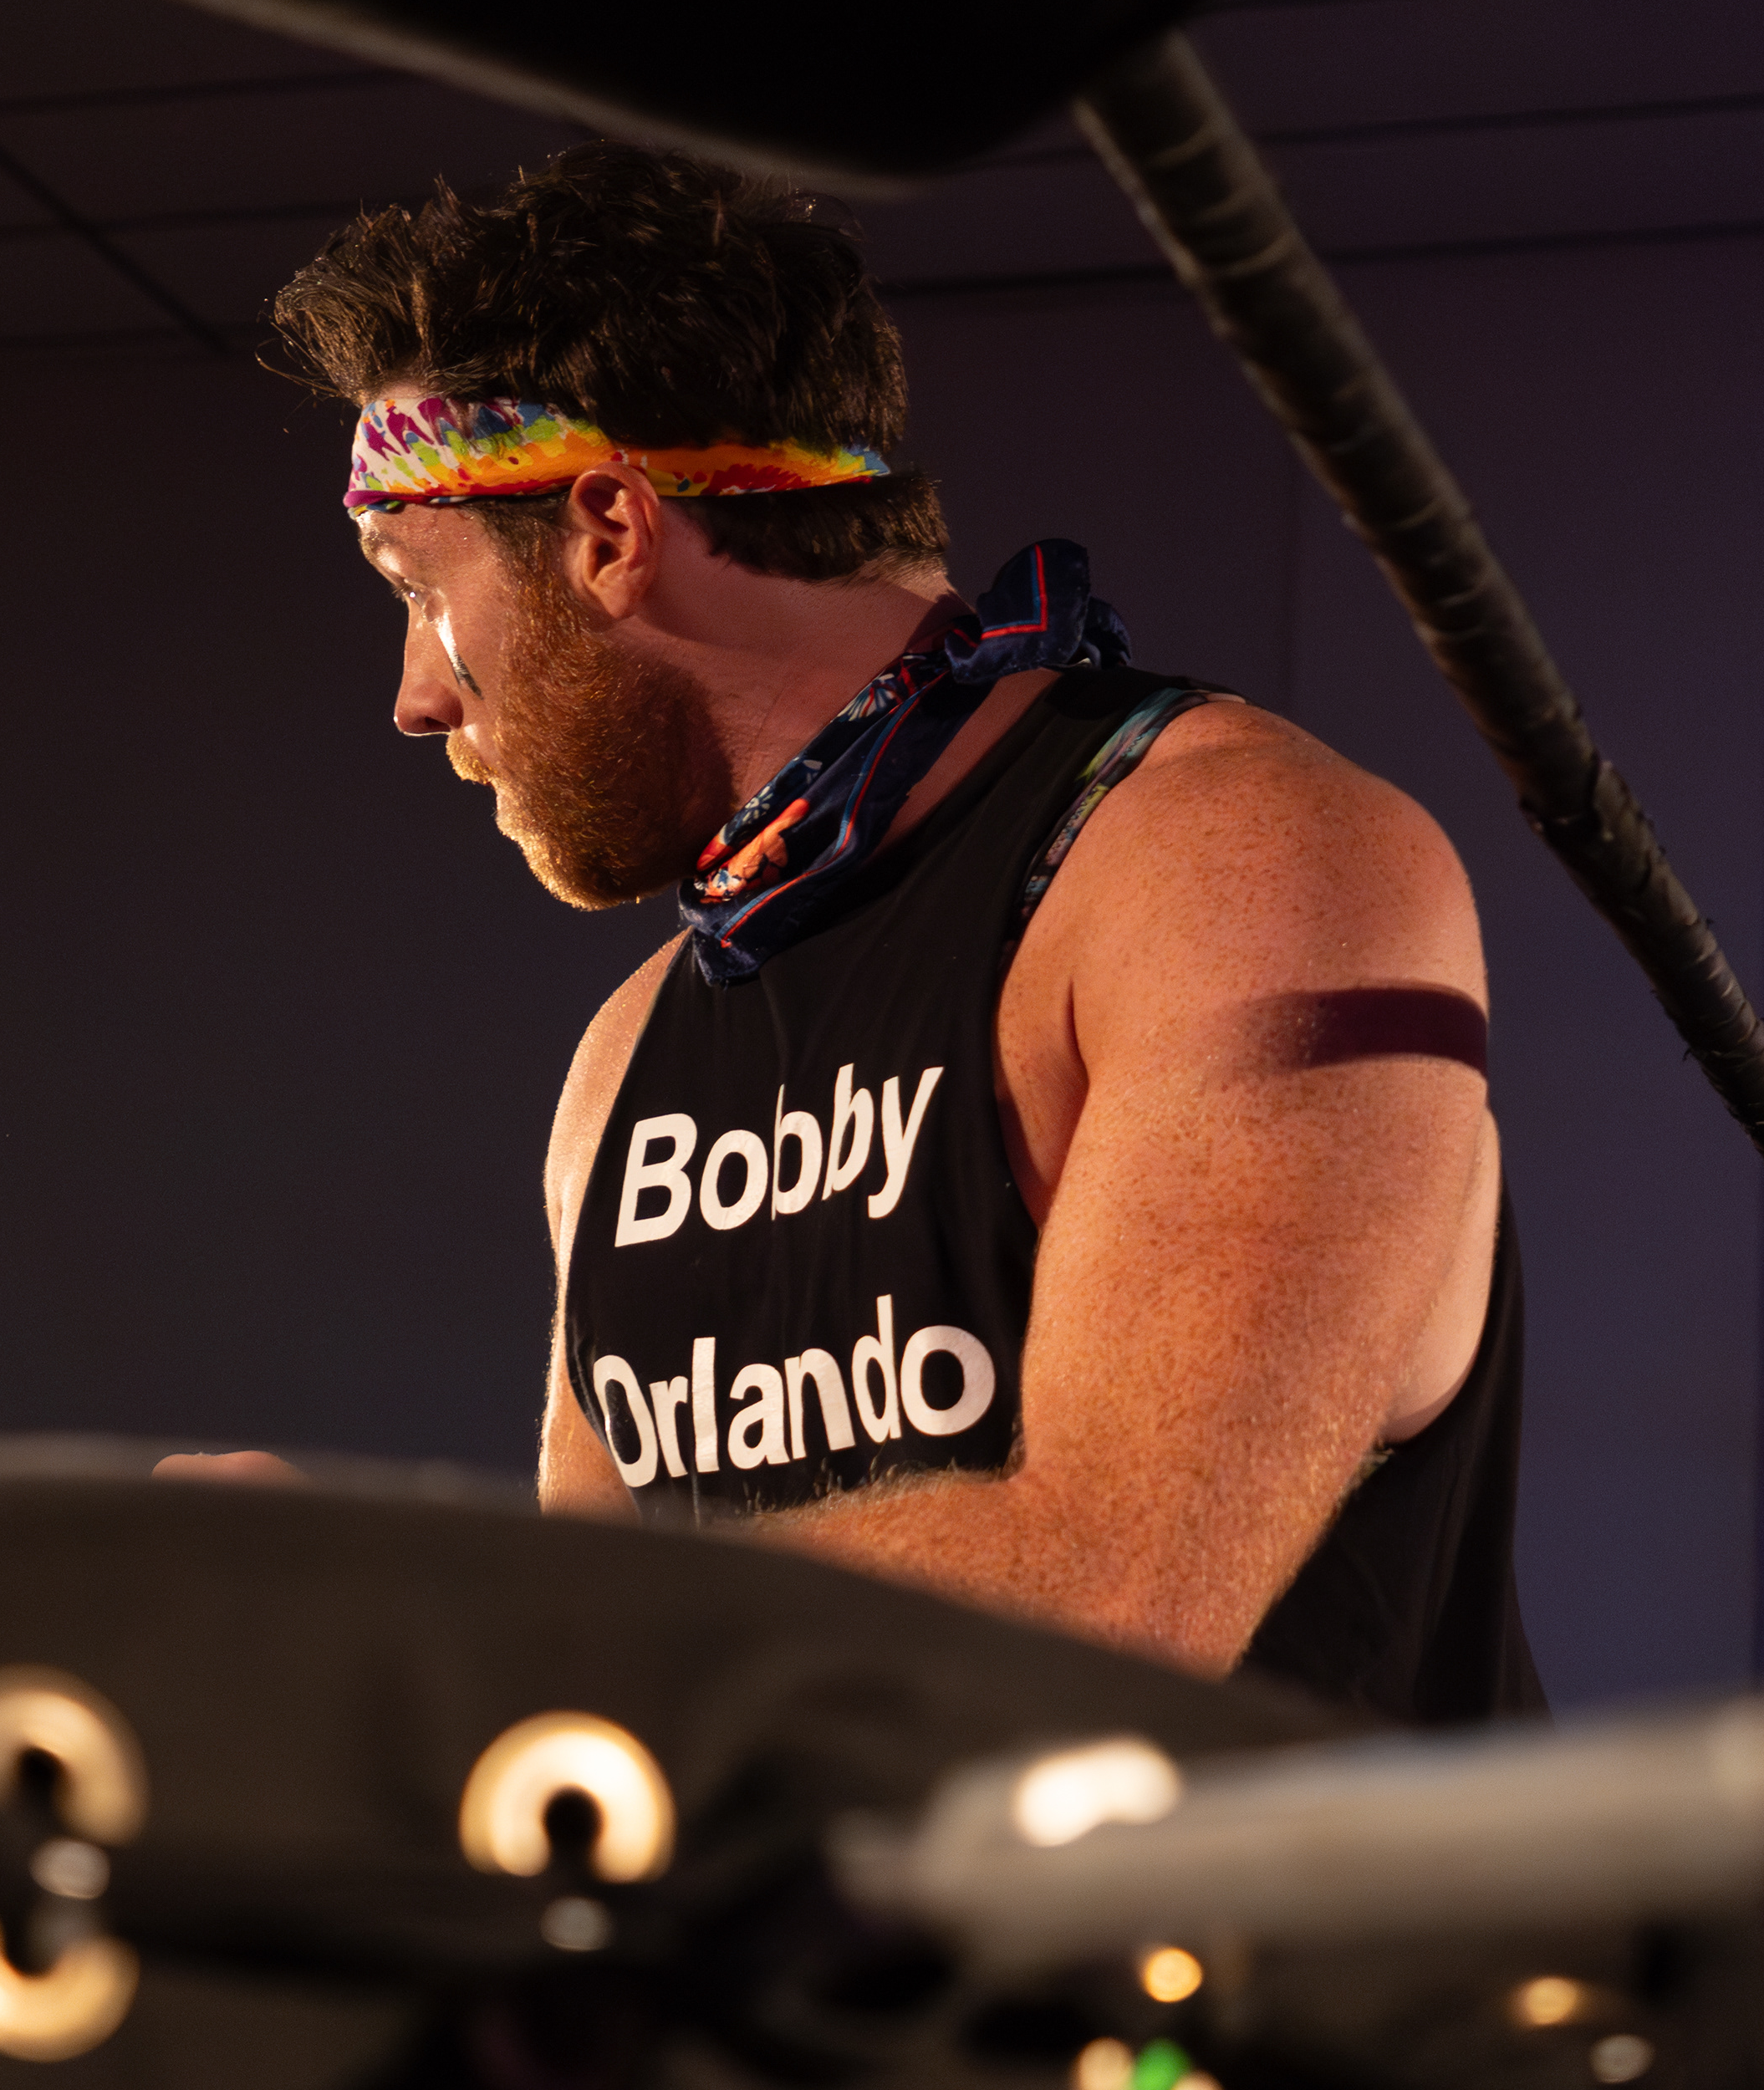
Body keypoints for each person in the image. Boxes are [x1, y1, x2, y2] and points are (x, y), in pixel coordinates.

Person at [173, 142, 1538, 1726]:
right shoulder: (628, 1059)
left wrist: (435, 1605)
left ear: (609, 532)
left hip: (1274, 1899)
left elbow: (1111, 1601)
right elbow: (605, 1717)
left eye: (421, 588)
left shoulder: (1232, 867)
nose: (416, 696)